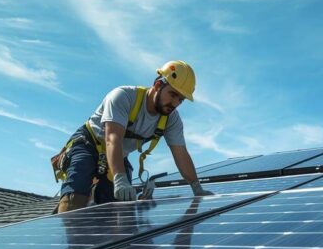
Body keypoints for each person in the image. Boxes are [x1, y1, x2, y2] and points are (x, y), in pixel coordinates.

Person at [52, 60, 213, 213]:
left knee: (119, 210)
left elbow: (181, 155)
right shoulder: (123, 96)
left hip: (117, 154)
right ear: (157, 85)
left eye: (181, 99)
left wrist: (196, 187)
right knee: (75, 199)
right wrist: (120, 179)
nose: (175, 103)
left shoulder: (171, 119)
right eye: (173, 95)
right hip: (89, 144)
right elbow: (112, 138)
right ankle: (67, 236)